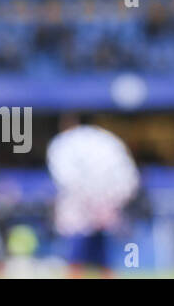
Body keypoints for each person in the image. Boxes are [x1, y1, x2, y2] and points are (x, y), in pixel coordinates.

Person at [46, 114, 139, 277]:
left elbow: (64, 176)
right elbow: (127, 174)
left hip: (82, 201)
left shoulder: (64, 142)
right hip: (108, 198)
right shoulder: (106, 138)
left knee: (79, 245)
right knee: (101, 246)